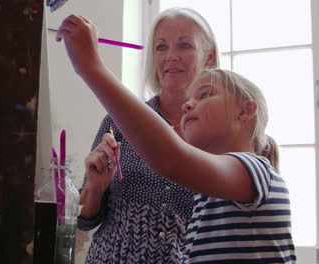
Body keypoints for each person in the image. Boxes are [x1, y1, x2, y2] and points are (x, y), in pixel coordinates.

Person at [56, 14, 296, 264]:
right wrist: (95, 187)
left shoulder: (255, 170)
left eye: (205, 95)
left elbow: (172, 159)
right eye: (161, 46)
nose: (189, 106)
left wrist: (91, 67)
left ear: (245, 111)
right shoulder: (211, 197)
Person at [68, 7, 219, 264]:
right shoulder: (119, 121)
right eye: (161, 47)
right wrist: (95, 187)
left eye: (184, 45)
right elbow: (84, 220)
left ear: (209, 57)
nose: (171, 56)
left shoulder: (219, 131)